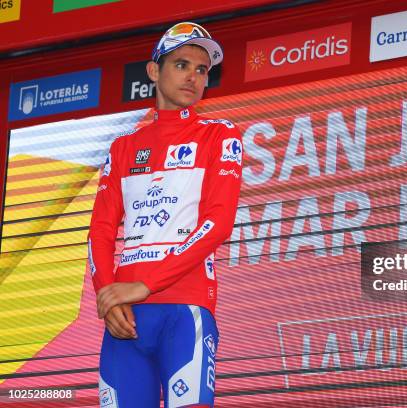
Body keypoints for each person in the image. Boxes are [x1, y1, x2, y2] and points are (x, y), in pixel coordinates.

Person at [87, 22, 242, 407]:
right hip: (125, 319)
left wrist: (146, 285)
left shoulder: (220, 136)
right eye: (182, 64)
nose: (193, 76)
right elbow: (100, 232)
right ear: (154, 71)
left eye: (202, 70)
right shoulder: (123, 148)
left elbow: (218, 223)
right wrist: (107, 297)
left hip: (185, 310)